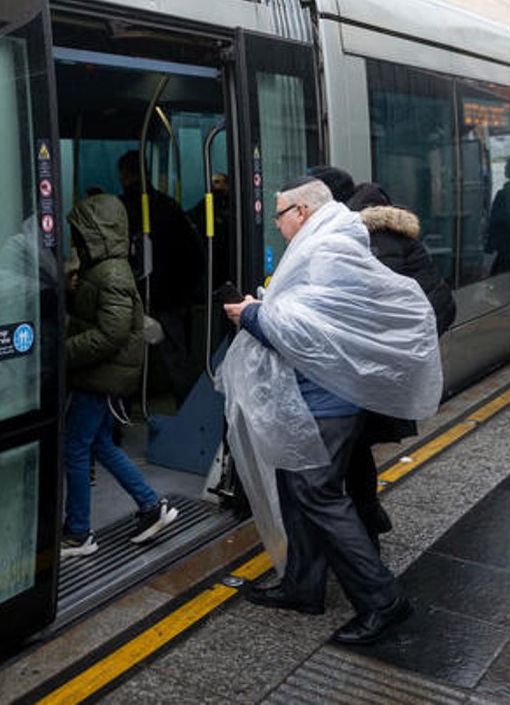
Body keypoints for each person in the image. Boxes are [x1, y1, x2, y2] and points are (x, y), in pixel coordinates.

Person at [221, 177, 442, 646]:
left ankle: (384, 600)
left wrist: (253, 315)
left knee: (317, 493)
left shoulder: (325, 252)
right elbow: (318, 317)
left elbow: (309, 334)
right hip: (313, 397)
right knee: (297, 485)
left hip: (326, 403)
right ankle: (303, 587)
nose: (276, 224)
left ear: (301, 212)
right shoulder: (328, 243)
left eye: (279, 214)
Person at [339, 175, 454, 549]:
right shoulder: (401, 238)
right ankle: (368, 518)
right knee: (357, 449)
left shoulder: (363, 242)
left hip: (369, 372)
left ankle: (365, 535)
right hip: (389, 372)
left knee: (350, 451)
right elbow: (438, 305)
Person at [61, 193, 178, 558]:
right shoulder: (105, 268)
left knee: (75, 447)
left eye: (79, 232)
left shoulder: (110, 272)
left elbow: (110, 334)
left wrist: (62, 352)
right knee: (99, 444)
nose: (73, 239)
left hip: (99, 376)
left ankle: (78, 533)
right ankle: (150, 505)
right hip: (102, 375)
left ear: (96, 234)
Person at [117, 150, 203, 398]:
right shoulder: (169, 206)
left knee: (125, 360)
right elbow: (193, 252)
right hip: (171, 295)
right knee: (176, 356)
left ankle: (127, 411)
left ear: (125, 175)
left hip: (135, 294)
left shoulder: (122, 209)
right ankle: (187, 410)